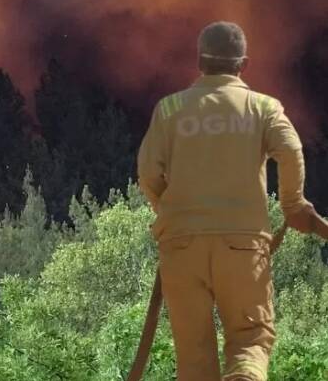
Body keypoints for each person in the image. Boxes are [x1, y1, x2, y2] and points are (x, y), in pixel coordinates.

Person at [137, 21, 325, 380]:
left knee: (193, 360)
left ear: (199, 62)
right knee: (250, 341)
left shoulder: (169, 108)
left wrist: (173, 214)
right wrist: (292, 205)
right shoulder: (263, 107)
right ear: (244, 64)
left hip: (181, 247)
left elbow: (148, 173)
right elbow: (290, 149)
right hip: (242, 245)